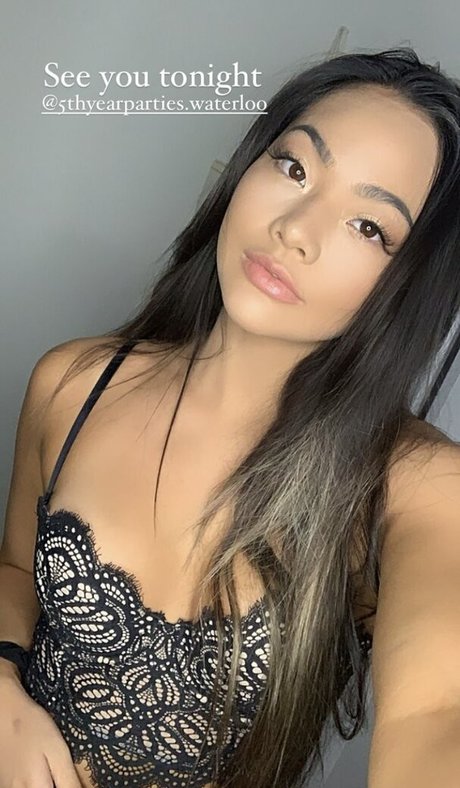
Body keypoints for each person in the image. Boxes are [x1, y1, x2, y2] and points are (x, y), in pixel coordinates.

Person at [1, 46, 460, 788]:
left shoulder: (414, 484)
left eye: (368, 226)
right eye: (295, 168)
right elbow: (17, 570)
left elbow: (438, 715)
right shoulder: (73, 384)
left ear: (408, 287)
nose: (296, 228)